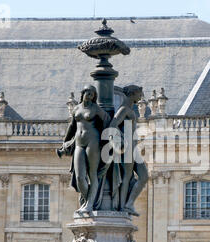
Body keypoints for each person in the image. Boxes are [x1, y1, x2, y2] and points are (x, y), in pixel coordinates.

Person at [57, 85, 110, 213]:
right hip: (79, 143)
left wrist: (106, 140)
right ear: (83, 93)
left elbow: (107, 120)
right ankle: (88, 201)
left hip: (93, 141)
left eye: (92, 94)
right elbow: (72, 127)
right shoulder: (77, 109)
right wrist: (65, 143)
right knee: (80, 177)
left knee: (92, 174)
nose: (90, 96)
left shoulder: (96, 109)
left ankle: (89, 204)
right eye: (88, 93)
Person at [109, 85, 148, 215]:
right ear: (133, 94)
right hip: (127, 147)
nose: (141, 97)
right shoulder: (124, 110)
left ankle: (129, 203)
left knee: (144, 176)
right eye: (139, 94)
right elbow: (112, 126)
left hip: (133, 147)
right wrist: (119, 142)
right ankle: (123, 206)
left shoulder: (129, 109)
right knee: (127, 177)